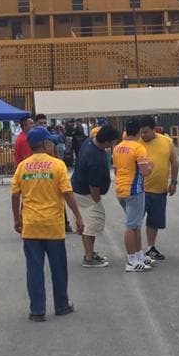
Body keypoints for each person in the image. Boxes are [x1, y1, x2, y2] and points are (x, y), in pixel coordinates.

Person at [11, 127, 83, 321]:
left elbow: (15, 195)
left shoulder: (22, 167)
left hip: (31, 225)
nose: (53, 144)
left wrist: (17, 220)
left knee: (34, 269)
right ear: (45, 144)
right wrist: (78, 216)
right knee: (58, 268)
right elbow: (67, 193)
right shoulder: (57, 165)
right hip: (53, 225)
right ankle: (61, 305)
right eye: (51, 142)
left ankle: (37, 310)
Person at [71, 124, 120, 268]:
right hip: (86, 193)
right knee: (91, 223)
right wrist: (97, 200)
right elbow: (94, 185)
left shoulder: (90, 141)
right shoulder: (94, 158)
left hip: (79, 187)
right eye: (112, 142)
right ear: (106, 141)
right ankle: (89, 257)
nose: (113, 145)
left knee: (88, 223)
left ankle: (90, 252)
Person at [113, 118, 155, 271]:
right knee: (132, 226)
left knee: (136, 224)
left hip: (120, 189)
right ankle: (131, 260)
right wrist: (151, 166)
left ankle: (138, 255)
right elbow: (144, 171)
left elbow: (116, 170)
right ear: (138, 132)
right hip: (135, 190)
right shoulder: (138, 148)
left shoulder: (118, 148)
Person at [139, 117, 179, 263]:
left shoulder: (166, 141)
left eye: (146, 132)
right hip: (140, 190)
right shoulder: (136, 141)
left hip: (159, 189)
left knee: (154, 222)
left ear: (154, 129)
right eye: (141, 132)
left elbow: (174, 162)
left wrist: (173, 182)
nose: (143, 135)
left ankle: (150, 247)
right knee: (136, 222)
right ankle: (135, 252)